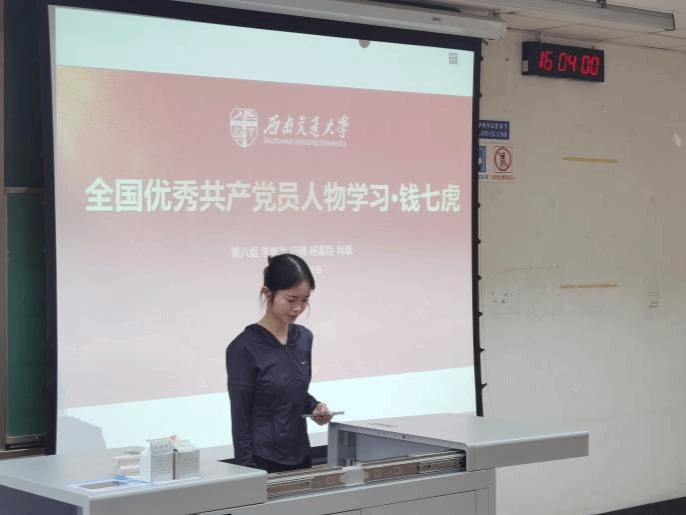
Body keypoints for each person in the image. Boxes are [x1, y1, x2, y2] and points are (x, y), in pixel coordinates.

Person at [226, 254, 332, 473]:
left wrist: (314, 406)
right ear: (267, 293)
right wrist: (248, 473)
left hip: (301, 456)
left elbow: (293, 390)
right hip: (262, 460)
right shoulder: (243, 347)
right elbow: (240, 418)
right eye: (291, 300)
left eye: (305, 300)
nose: (298, 308)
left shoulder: (304, 338)